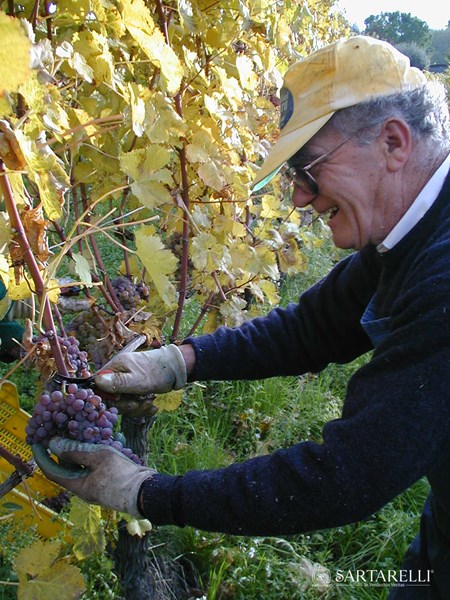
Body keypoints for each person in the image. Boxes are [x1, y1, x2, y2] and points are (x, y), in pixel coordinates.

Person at [34, 35, 450, 598]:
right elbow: (312, 327)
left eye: (307, 168)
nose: (300, 198)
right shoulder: (409, 230)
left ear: (393, 143)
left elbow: (350, 472)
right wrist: (177, 361)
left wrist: (146, 492)